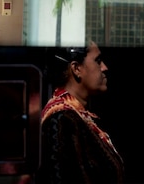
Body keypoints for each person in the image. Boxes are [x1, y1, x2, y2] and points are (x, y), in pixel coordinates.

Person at [37, 41, 124, 184]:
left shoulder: (78, 116)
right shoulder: (61, 119)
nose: (104, 68)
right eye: (98, 61)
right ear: (77, 68)